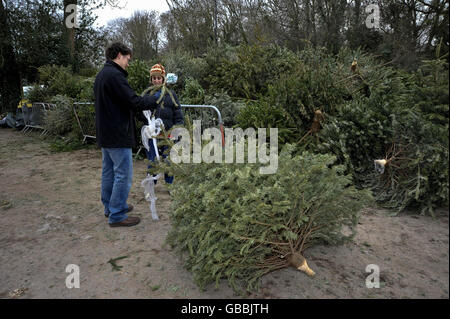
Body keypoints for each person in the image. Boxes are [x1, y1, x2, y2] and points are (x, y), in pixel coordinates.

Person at [94, 42, 160, 228]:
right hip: (117, 134)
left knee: (109, 173)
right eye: (127, 59)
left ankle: (111, 207)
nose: (128, 64)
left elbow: (121, 102)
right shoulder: (115, 76)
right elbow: (132, 100)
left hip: (106, 134)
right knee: (123, 174)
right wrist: (153, 101)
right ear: (119, 55)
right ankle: (116, 215)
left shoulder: (102, 75)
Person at [140, 63, 184, 185]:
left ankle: (169, 183)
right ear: (151, 79)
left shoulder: (170, 94)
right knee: (152, 160)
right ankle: (151, 183)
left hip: (168, 133)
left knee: (168, 159)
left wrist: (178, 128)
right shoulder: (148, 95)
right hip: (152, 134)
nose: (156, 81)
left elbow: (177, 111)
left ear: (163, 79)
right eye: (154, 78)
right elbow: (141, 112)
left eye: (159, 78)